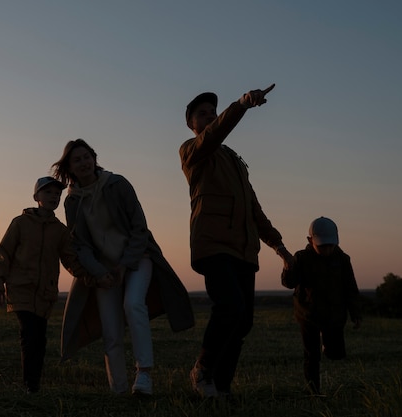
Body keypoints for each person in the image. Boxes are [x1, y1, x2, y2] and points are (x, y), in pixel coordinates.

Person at [51, 139, 194, 396]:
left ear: (94, 158)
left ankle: (144, 375)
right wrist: (98, 273)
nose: (83, 163)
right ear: (69, 168)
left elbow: (140, 227)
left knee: (133, 304)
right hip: (102, 269)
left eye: (86, 157)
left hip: (137, 257)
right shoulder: (72, 201)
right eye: (77, 160)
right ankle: (118, 389)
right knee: (110, 328)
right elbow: (80, 244)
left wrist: (124, 265)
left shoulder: (118, 185)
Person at [180, 84, 294, 398]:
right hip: (213, 244)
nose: (209, 117)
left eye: (212, 112)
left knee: (243, 322)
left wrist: (280, 248)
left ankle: (221, 385)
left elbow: (253, 209)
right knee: (229, 306)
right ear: (192, 124)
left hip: (245, 249)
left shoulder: (235, 161)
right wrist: (241, 104)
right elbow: (215, 134)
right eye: (202, 114)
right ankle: (202, 369)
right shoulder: (192, 151)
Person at [0, 176, 86, 394]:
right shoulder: (20, 223)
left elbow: (70, 259)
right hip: (21, 289)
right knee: (30, 334)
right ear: (36, 197)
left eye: (57, 194)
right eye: (48, 193)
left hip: (45, 293)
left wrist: (90, 276)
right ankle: (30, 385)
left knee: (40, 339)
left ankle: (33, 384)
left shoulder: (61, 231)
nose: (53, 197)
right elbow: (4, 253)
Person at [281, 216, 362, 395]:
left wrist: (356, 313)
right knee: (311, 356)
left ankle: (327, 343)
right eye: (322, 246)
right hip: (308, 314)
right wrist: (288, 267)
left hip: (334, 314)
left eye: (330, 245)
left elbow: (351, 288)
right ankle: (314, 391)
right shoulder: (301, 258)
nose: (327, 250)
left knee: (336, 354)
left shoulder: (343, 259)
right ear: (310, 240)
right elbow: (289, 283)